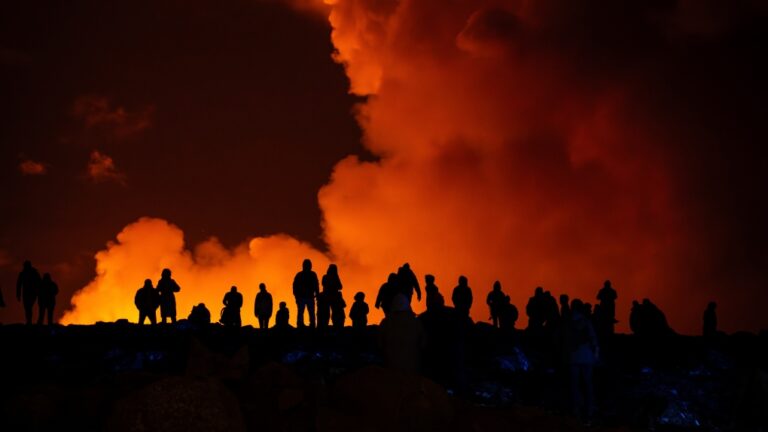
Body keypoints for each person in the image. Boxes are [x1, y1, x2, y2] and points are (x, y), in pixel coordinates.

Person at [566, 299, 599, 424]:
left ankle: (577, 410)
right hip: (587, 357)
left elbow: (566, 341)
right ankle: (589, 409)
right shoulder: (586, 322)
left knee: (575, 385)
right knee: (588, 384)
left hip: (574, 357)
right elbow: (593, 340)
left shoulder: (569, 323)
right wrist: (596, 355)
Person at [379, 293, 425, 373]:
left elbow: (379, 344)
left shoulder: (385, 323)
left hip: (391, 369)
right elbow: (424, 344)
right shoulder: (416, 322)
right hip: (412, 369)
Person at [292, 259, 319, 328]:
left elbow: (316, 285)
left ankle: (311, 324)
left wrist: (317, 294)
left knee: (310, 312)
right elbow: (295, 286)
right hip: (302, 297)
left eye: (309, 265)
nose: (308, 266)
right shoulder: (300, 275)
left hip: (309, 297)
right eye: (307, 265)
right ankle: (301, 324)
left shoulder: (312, 274)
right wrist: (296, 296)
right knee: (302, 311)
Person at [16, 260, 41, 324]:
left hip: (31, 293)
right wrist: (18, 294)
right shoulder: (25, 274)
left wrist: (18, 294)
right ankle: (29, 321)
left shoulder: (33, 273)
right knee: (27, 308)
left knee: (28, 307)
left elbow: (39, 283)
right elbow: (19, 285)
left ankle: (29, 321)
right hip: (28, 293)